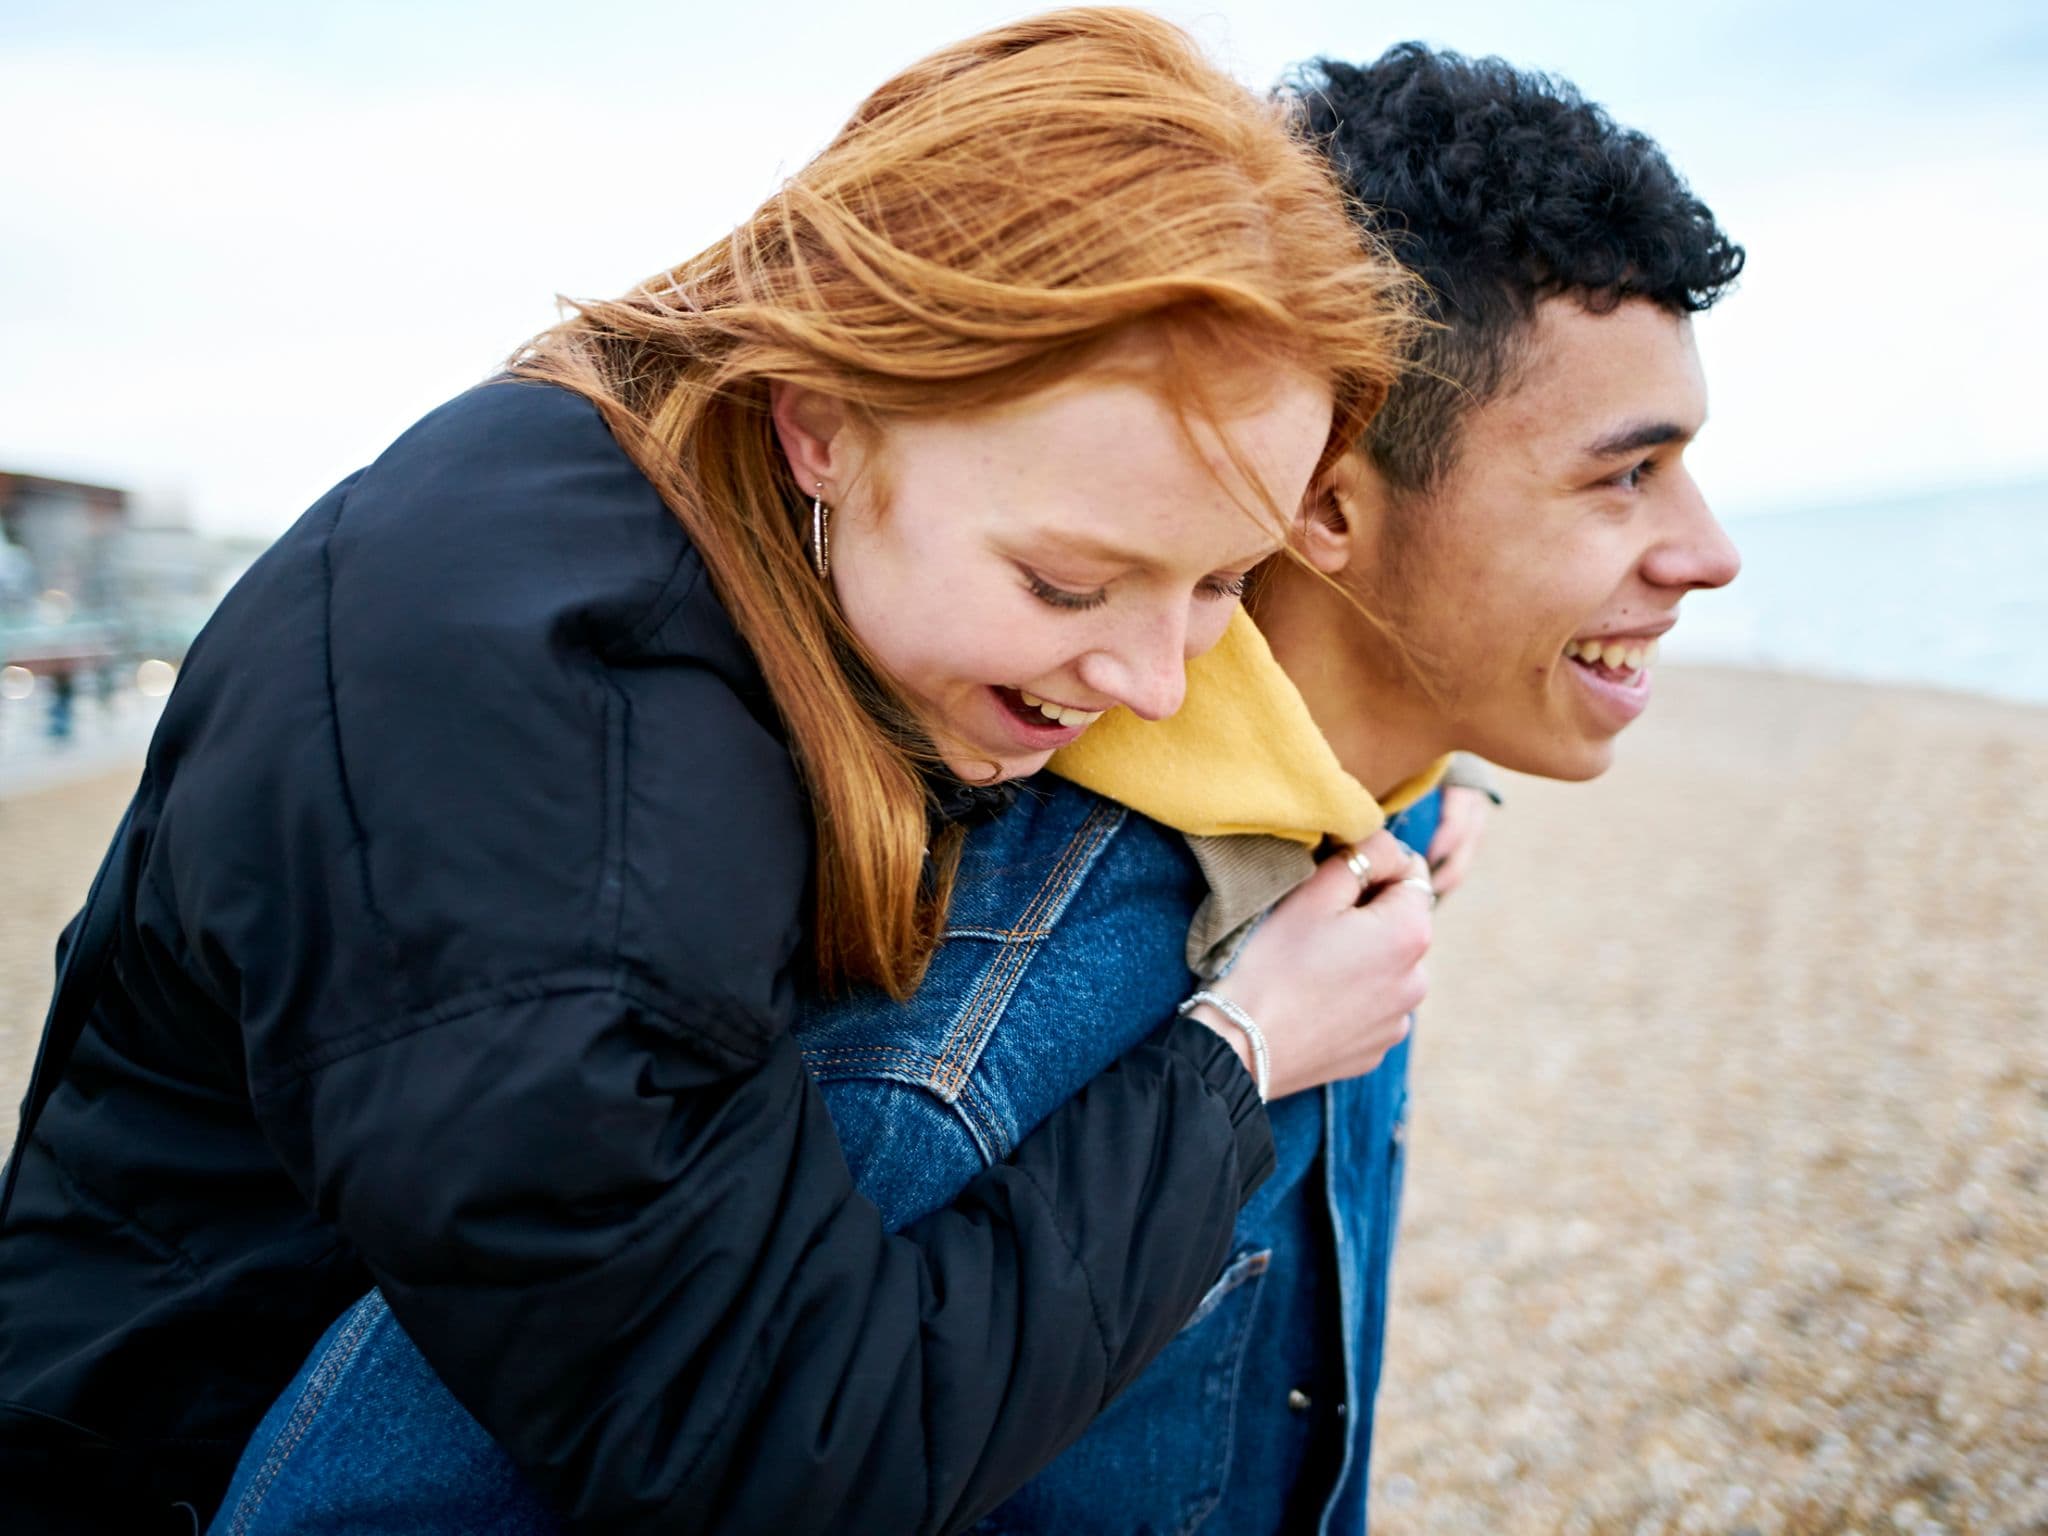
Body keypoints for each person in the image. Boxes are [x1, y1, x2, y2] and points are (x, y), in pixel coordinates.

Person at [203, 38, 1747, 1536]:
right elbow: (579, 1454)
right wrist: (1236, 1053)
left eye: (1218, 578)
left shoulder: (1345, 842)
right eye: (1625, 471)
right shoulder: (914, 957)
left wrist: (1410, 789)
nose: (1710, 549)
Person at [0, 12, 1433, 1534]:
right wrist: (1243, 1053)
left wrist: (1343, 801)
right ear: (820, 419)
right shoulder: (543, 742)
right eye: (1070, 588)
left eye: (1223, 585)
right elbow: (775, 1457)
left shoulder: (685, 510)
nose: (1158, 681)